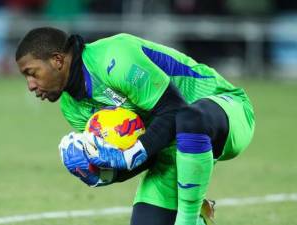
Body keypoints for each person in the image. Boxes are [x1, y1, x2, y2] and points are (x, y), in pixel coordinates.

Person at [15, 27, 255, 225]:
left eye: (32, 73)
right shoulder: (71, 107)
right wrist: (102, 173)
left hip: (227, 112)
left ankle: (189, 219)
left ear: (57, 60)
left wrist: (131, 154)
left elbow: (175, 110)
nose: (31, 85)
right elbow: (143, 156)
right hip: (168, 149)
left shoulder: (114, 55)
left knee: (189, 118)